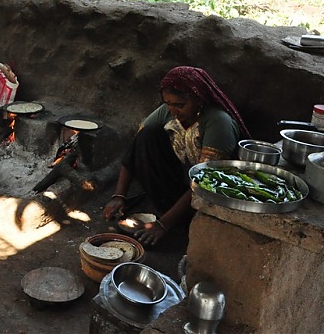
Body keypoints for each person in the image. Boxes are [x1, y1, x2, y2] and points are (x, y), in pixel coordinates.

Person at [103, 66, 249, 247]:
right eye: (168, 103)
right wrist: (119, 195)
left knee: (201, 187)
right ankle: (169, 212)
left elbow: (204, 183)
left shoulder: (218, 122)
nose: (173, 110)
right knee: (147, 135)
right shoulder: (168, 111)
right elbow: (137, 148)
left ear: (199, 99)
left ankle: (180, 221)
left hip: (210, 193)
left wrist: (163, 225)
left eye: (180, 105)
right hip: (180, 183)